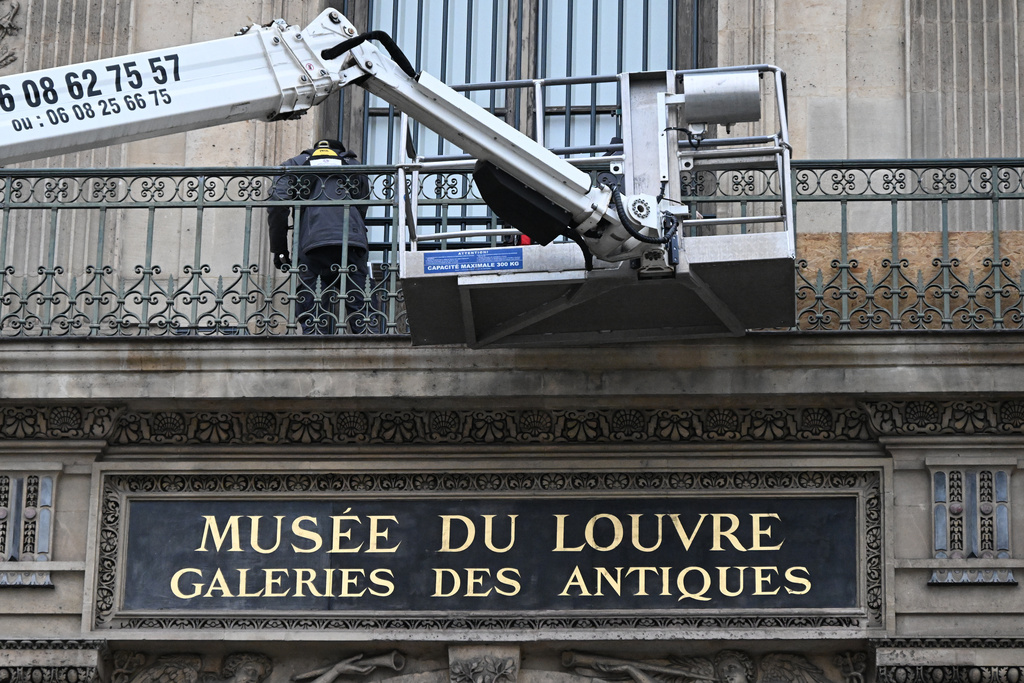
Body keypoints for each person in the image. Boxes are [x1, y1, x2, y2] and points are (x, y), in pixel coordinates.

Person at [268, 139, 371, 334]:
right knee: (362, 309)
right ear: (340, 151)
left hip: (311, 243)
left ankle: (313, 351)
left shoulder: (294, 164)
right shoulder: (354, 165)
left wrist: (280, 248)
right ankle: (373, 351)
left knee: (312, 312)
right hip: (351, 243)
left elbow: (277, 203)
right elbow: (362, 204)